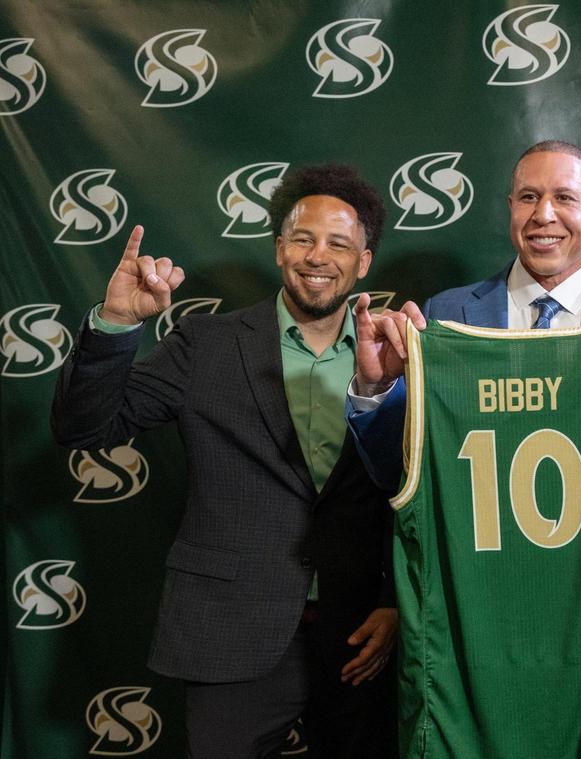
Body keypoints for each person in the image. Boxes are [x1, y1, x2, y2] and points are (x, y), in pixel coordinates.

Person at [346, 140, 581, 757]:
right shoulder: (447, 317)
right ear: (509, 209)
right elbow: (401, 475)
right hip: (478, 615)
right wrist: (375, 388)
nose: (544, 214)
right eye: (528, 197)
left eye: (564, 198)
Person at [51, 164, 400, 758]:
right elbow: (85, 426)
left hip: (361, 633)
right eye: (303, 238)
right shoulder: (204, 345)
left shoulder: (397, 352)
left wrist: (397, 601)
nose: (319, 256)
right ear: (278, 249)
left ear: (363, 261)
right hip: (230, 631)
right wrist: (116, 322)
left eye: (340, 243)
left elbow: (414, 492)